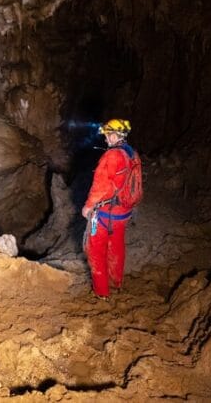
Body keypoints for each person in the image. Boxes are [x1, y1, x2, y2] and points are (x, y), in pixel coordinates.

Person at [82, 118, 139, 299]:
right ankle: (117, 282)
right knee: (116, 246)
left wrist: (88, 207)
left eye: (107, 135)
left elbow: (101, 186)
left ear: (114, 135)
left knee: (95, 251)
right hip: (123, 212)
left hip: (105, 213)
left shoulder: (112, 156)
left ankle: (102, 293)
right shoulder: (132, 154)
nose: (106, 139)